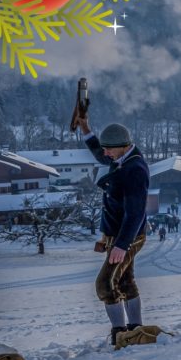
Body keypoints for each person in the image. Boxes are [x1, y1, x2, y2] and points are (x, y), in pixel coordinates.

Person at [76, 114, 149, 346]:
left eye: (109, 150)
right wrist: (86, 128)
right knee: (126, 281)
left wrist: (121, 244)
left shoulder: (134, 169)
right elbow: (100, 152)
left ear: (122, 146)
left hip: (128, 236)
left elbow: (135, 213)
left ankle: (119, 332)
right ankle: (135, 329)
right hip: (117, 235)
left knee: (105, 283)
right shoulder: (122, 158)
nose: (104, 154)